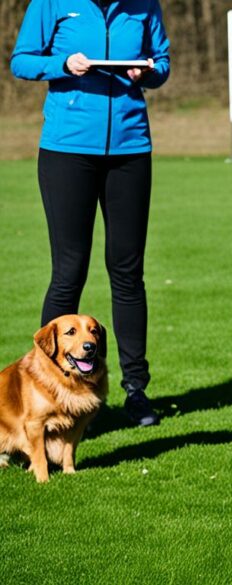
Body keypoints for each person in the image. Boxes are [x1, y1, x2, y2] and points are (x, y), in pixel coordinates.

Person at [11, 0, 171, 426]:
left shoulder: (144, 5)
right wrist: (64, 63)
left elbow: (163, 63)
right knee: (68, 270)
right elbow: (21, 61)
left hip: (131, 150)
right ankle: (47, 393)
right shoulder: (51, 2)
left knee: (127, 270)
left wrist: (147, 72)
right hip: (66, 149)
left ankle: (136, 391)